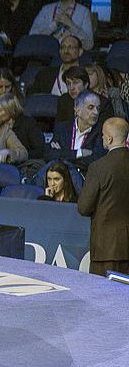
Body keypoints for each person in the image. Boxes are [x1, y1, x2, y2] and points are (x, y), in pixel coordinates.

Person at [77, 117, 129, 276]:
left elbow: (84, 207)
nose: (101, 138)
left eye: (103, 135)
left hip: (106, 249)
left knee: (101, 298)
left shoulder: (98, 167)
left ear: (109, 138)